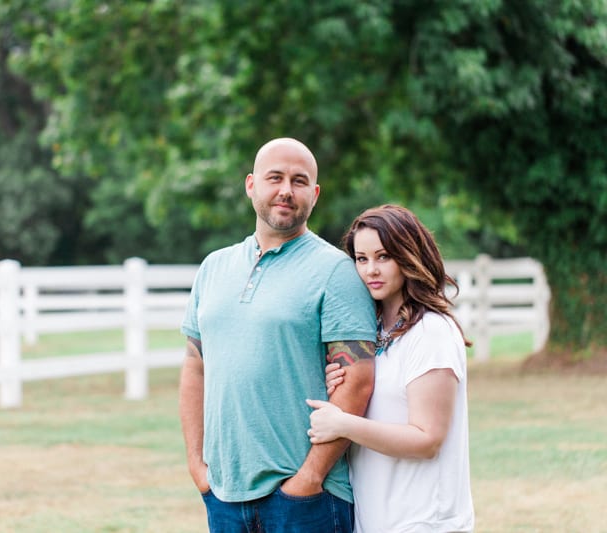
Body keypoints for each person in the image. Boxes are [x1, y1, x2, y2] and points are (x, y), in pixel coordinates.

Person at [179, 137, 377, 532]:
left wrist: (308, 479)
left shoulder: (335, 271)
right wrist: (197, 465)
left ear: (314, 194)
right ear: (251, 185)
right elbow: (195, 366)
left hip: (304, 501)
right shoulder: (213, 268)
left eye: (299, 181)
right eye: (275, 178)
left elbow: (357, 380)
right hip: (223, 494)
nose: (286, 190)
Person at [306, 204, 476, 532]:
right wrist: (340, 382)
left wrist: (343, 423)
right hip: (375, 519)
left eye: (384, 256)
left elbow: (427, 440)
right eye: (361, 258)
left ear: (408, 256)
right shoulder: (372, 332)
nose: (371, 269)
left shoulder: (431, 331)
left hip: (425, 521)